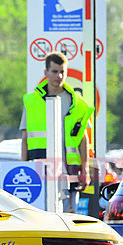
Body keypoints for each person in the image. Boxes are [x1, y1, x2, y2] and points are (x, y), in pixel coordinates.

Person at [20, 52, 94, 213]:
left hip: (70, 173)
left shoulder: (78, 103)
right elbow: (25, 139)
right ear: (45, 72)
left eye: (62, 72)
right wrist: (24, 167)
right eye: (54, 71)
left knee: (68, 221)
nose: (59, 76)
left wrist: (85, 170)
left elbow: (83, 139)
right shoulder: (32, 102)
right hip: (40, 171)